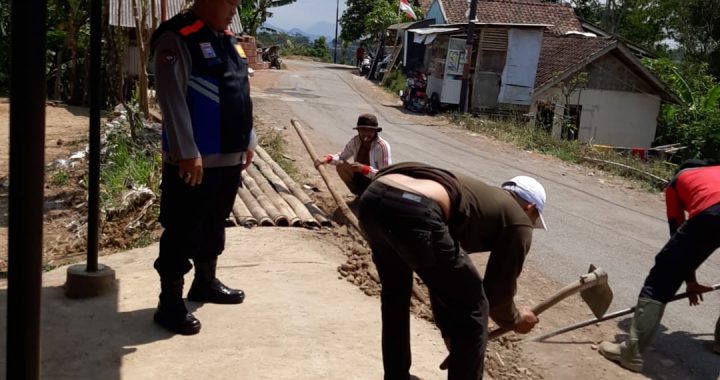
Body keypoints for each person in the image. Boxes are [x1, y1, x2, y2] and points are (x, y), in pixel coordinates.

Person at [357, 162, 545, 379]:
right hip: (415, 207)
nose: (530, 225)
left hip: (374, 197)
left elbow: (442, 280)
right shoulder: (519, 220)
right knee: (476, 309)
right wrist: (515, 320)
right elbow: (496, 295)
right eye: (534, 220)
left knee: (395, 295)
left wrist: (449, 330)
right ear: (530, 208)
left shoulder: (479, 200)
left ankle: (396, 376)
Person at [150, 0, 254, 335]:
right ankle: (169, 303)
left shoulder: (226, 38)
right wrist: (185, 150)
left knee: (214, 221)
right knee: (183, 225)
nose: (235, 7)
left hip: (228, 154)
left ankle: (205, 281)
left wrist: (248, 140)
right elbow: (171, 96)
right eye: (230, 1)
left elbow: (240, 91)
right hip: (195, 157)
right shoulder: (178, 36)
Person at [599, 159, 720, 372]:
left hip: (714, 210)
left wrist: (688, 279)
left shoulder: (678, 180)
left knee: (662, 277)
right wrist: (691, 281)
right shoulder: (713, 172)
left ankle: (631, 352)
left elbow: (677, 231)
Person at [314, 113, 392, 196]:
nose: (366, 134)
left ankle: (369, 198)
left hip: (376, 186)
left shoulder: (382, 146)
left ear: (375, 131)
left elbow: (385, 175)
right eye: (363, 130)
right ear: (358, 130)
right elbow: (341, 156)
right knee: (341, 165)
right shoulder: (356, 141)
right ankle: (359, 195)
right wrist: (327, 159)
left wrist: (364, 169)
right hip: (359, 180)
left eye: (369, 130)